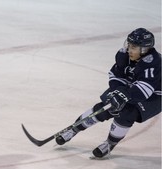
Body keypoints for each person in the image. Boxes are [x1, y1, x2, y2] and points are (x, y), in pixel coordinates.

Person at [55, 28, 161, 158]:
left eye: (134, 47)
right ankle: (73, 129)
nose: (129, 49)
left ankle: (110, 143)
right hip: (130, 87)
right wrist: (119, 92)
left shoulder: (153, 63)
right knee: (105, 107)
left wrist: (123, 96)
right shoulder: (124, 55)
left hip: (154, 97)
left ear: (144, 49)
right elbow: (115, 75)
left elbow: (144, 90)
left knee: (127, 113)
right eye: (129, 45)